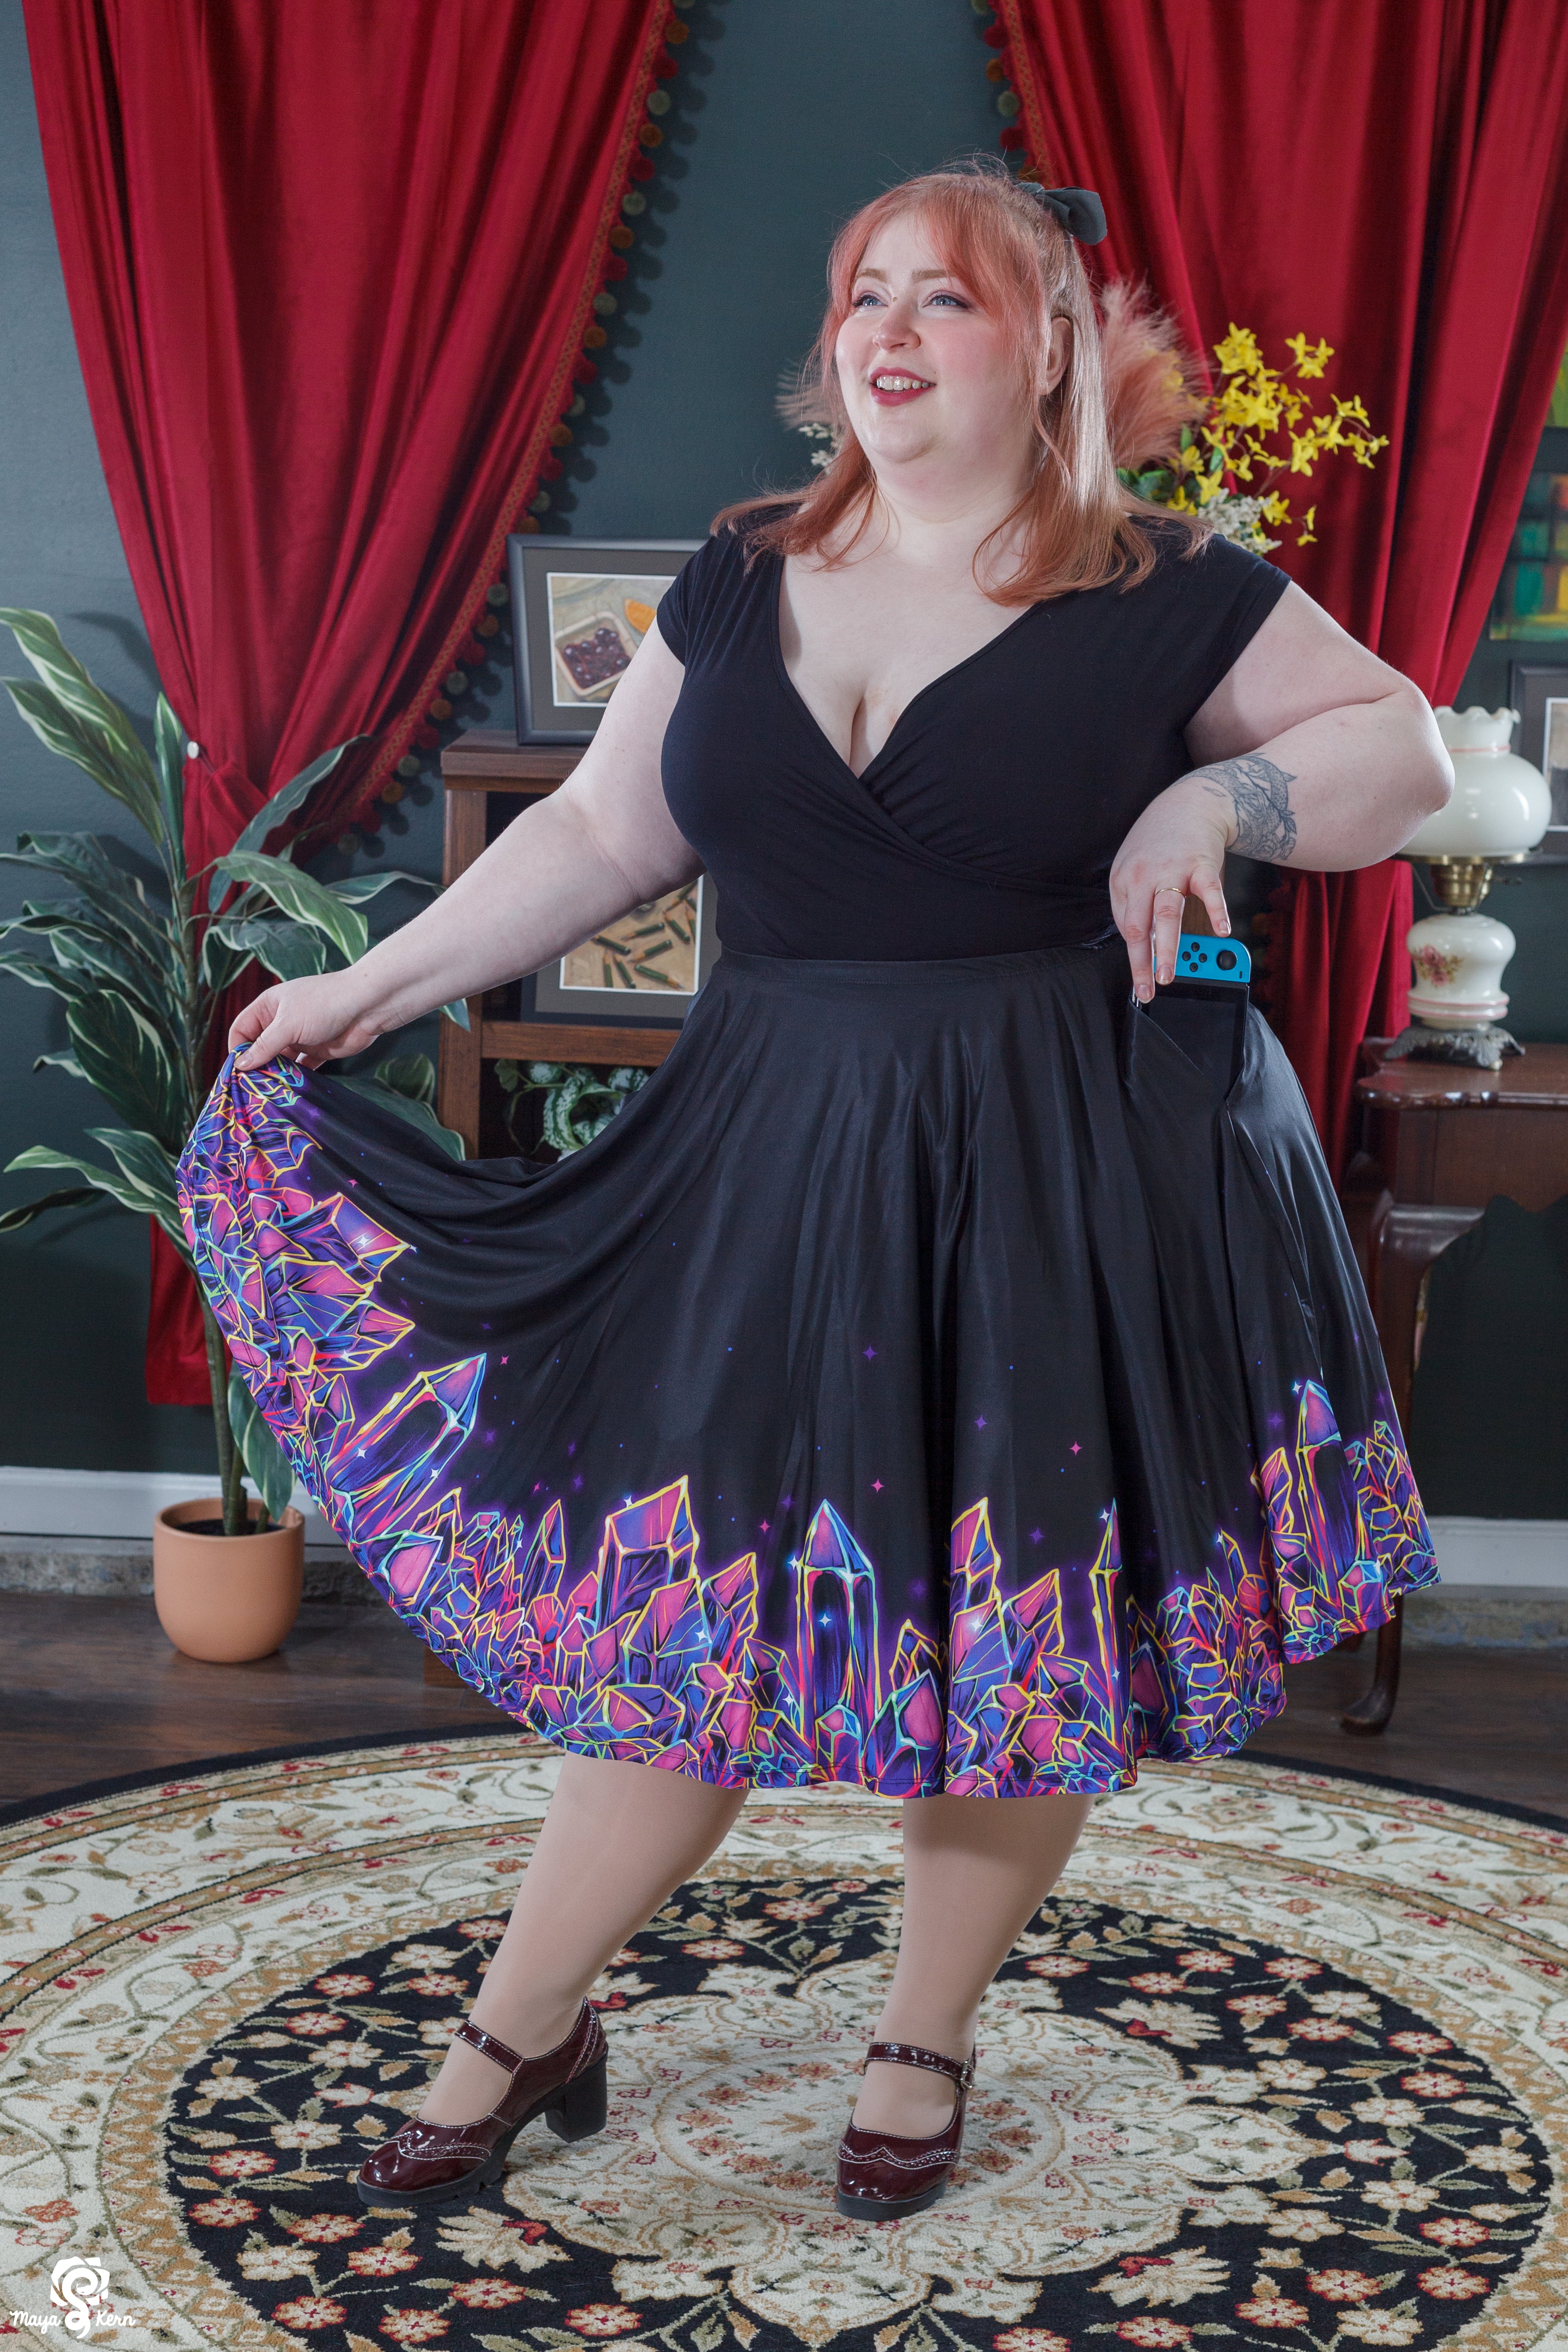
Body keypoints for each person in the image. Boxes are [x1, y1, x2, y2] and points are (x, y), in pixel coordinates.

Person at [177, 160, 1450, 2224]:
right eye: (867, 291)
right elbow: (602, 833)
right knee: (681, 1607)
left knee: (1013, 1621)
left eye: (944, 297)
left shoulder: (1167, 584)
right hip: (769, 1152)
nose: (888, 331)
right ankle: (523, 2022)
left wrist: (1209, 795)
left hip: (1058, 1169)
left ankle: (919, 2030)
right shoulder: (742, 568)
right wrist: (366, 985)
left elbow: (1404, 751)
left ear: (1048, 342)